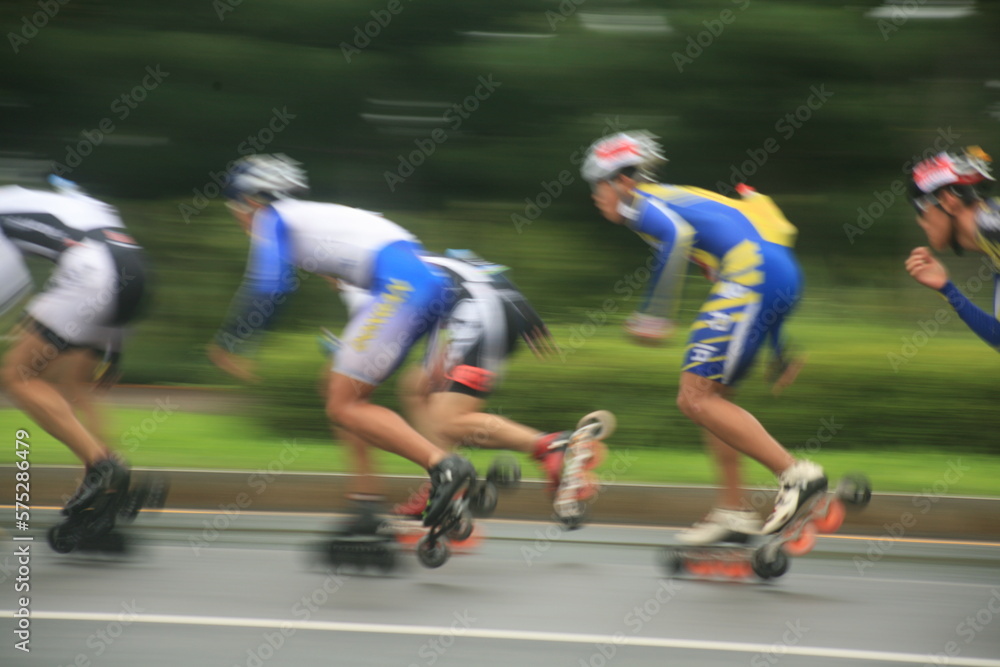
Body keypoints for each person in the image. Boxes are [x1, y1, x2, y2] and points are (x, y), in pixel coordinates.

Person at [580, 132, 826, 544]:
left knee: (693, 396)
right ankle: (733, 512)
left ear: (622, 182)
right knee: (713, 398)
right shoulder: (676, 197)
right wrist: (779, 349)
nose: (595, 196)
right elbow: (767, 274)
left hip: (751, 270)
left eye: (597, 185)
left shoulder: (642, 203)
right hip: (779, 269)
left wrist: (653, 315)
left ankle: (796, 476)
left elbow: (675, 238)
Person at [207, 154, 475, 533]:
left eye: (235, 204)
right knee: (340, 392)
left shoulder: (273, 218)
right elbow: (370, 288)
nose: (236, 216)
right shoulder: (320, 219)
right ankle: (366, 503)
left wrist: (233, 340)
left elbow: (271, 284)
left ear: (252, 200)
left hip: (402, 290)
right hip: (422, 287)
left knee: (344, 404)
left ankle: (442, 466)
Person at [336, 249, 606, 518]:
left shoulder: (359, 279)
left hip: (476, 316)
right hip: (494, 307)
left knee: (447, 419)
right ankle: (443, 483)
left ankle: (549, 446)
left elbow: (370, 348)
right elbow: (471, 261)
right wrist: (515, 298)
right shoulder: (401, 252)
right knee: (415, 387)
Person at [0, 175, 149, 522]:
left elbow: (10, 286)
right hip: (136, 274)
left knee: (19, 376)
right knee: (74, 386)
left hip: (90, 273)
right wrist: (115, 345)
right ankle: (108, 493)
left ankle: (102, 467)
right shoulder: (34, 198)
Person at [904, 146, 1000, 348]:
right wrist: (947, 289)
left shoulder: (990, 226)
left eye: (920, 209)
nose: (920, 221)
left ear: (948, 201)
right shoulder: (993, 247)